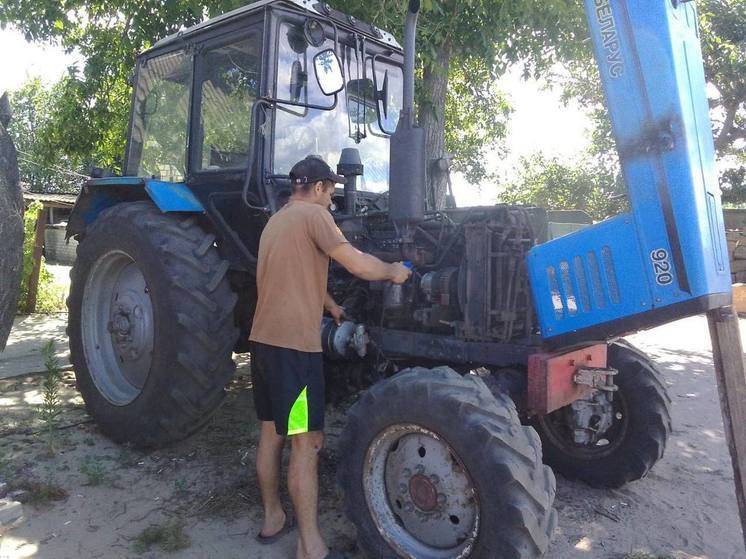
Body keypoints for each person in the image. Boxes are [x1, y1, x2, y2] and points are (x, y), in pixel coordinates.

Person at [249, 155, 411, 559]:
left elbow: (288, 274)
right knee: (307, 442)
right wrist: (393, 271)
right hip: (295, 353)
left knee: (271, 433)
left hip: (264, 347)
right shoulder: (316, 217)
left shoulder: (276, 221)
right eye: (332, 190)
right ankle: (310, 545)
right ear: (319, 187)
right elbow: (356, 264)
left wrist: (331, 305)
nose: (333, 198)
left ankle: (273, 518)